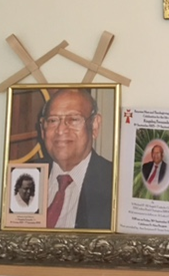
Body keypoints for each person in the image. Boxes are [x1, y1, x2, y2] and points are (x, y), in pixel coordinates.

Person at [38, 89, 113, 230]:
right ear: (43, 128)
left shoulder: (115, 182)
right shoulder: (24, 174)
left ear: (94, 125)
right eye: (53, 120)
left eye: (73, 120)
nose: (61, 130)